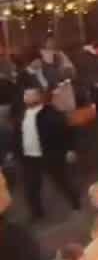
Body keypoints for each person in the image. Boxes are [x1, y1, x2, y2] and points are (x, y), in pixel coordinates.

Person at [16, 85, 79, 220]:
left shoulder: (51, 113)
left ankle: (76, 203)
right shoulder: (21, 115)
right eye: (25, 95)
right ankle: (37, 214)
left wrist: (70, 149)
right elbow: (17, 135)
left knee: (61, 181)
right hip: (29, 157)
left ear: (39, 97)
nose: (27, 98)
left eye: (31, 94)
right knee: (31, 187)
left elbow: (66, 132)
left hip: (49, 155)